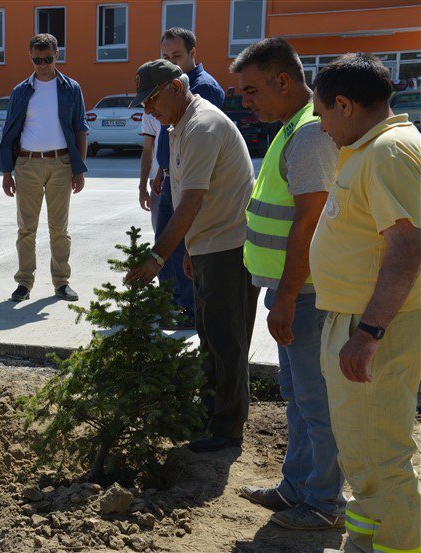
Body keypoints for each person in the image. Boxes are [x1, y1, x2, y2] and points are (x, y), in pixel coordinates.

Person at [230, 38, 345, 531]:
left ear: (283, 80)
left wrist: (290, 296)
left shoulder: (310, 135)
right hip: (290, 289)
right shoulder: (289, 128)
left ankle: (324, 503)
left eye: (252, 90)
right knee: (296, 394)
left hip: (307, 293)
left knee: (316, 401)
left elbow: (308, 222)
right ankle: (297, 487)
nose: (246, 101)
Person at [310, 53, 420, 553]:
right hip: (361, 320)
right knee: (362, 450)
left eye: (322, 112)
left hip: (377, 327)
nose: (320, 123)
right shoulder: (370, 147)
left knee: (380, 454)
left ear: (345, 104)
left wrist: (368, 333)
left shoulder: (388, 153)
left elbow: (408, 246)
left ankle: (398, 546)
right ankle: (366, 541)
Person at [125, 60, 258, 453]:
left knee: (227, 342)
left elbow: (192, 203)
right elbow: (186, 195)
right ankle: (210, 416)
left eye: (151, 99)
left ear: (175, 88)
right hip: (207, 247)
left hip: (229, 249)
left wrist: (157, 257)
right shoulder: (178, 125)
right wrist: (189, 249)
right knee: (211, 339)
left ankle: (227, 429)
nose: (147, 109)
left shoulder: (201, 127)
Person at [0, 33, 88, 303]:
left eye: (48, 59)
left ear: (57, 55)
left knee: (59, 228)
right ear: (31, 58)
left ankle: (61, 282)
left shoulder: (71, 88)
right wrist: (6, 173)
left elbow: (81, 128)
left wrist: (79, 169)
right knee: (26, 229)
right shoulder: (21, 91)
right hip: (27, 165)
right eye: (37, 60)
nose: (43, 65)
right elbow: (10, 131)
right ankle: (24, 283)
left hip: (61, 164)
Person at [147, 27, 226, 329]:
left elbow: (199, 144)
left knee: (182, 247)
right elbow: (169, 136)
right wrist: (160, 171)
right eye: (165, 56)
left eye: (176, 56)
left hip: (188, 180)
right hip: (169, 177)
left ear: (193, 53)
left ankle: (189, 310)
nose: (171, 62)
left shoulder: (203, 88)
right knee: (164, 242)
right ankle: (169, 304)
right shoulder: (169, 85)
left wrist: (174, 176)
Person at [137, 112, 161, 232]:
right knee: (160, 235)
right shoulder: (149, 113)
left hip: (184, 180)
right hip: (158, 184)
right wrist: (142, 187)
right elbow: (147, 150)